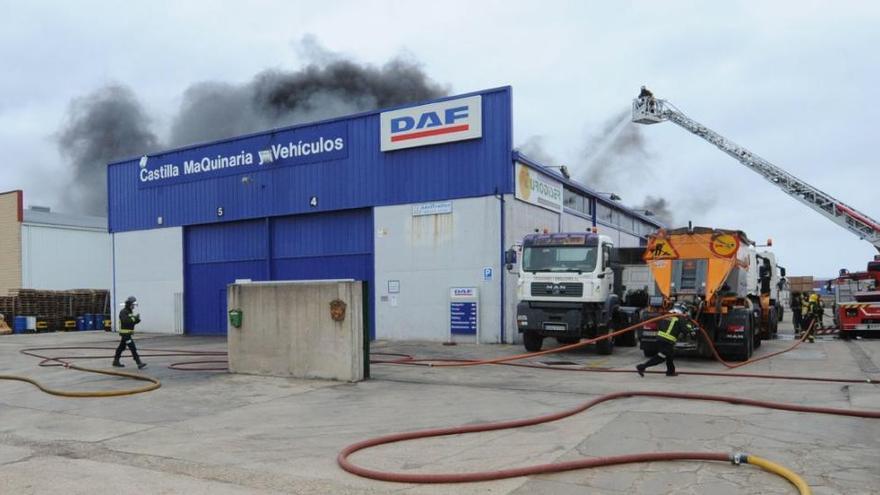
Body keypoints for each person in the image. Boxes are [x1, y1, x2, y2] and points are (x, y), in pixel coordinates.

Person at [637, 303, 696, 377]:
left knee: (670, 356)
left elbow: (659, 326)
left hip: (660, 339)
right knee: (661, 357)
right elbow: (686, 330)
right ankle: (642, 367)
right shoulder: (680, 318)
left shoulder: (666, 316)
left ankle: (670, 371)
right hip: (667, 341)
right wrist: (692, 327)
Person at [113, 296, 146, 369]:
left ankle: (115, 361)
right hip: (125, 334)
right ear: (129, 304)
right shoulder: (123, 312)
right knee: (132, 347)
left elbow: (132, 322)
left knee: (121, 347)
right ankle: (139, 363)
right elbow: (126, 322)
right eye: (133, 305)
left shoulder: (129, 312)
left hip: (127, 333)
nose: (134, 306)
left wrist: (137, 320)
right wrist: (135, 319)